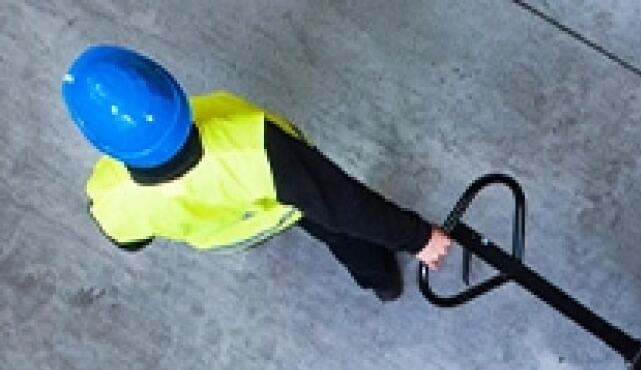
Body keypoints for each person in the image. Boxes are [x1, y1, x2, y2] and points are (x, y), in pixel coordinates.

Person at [61, 44, 452, 301]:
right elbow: (343, 203)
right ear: (171, 91)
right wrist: (417, 238)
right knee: (340, 231)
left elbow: (131, 242)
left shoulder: (109, 195)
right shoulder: (255, 147)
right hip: (285, 205)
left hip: (230, 234)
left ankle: (379, 284)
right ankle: (380, 279)